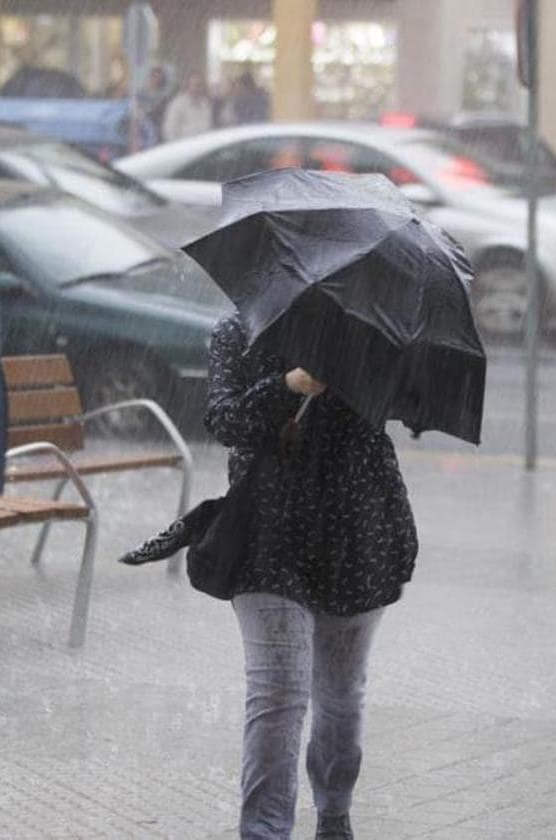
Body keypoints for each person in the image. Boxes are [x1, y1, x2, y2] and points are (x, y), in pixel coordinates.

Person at [203, 315, 418, 840]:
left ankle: (335, 812)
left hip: (357, 532)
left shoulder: (373, 328)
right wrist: (290, 385)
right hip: (268, 533)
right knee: (276, 695)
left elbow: (407, 404)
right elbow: (224, 420)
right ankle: (263, 832)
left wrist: (360, 360)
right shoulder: (239, 329)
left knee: (341, 690)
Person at [162, 72, 215, 142]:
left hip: (204, 147)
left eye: (201, 85)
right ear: (187, 86)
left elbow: (209, 126)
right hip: (185, 148)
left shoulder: (205, 104)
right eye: (196, 85)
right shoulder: (177, 104)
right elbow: (169, 131)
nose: (199, 88)